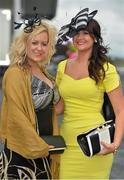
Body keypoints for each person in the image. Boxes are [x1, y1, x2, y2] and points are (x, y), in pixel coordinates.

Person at [55, 8, 124, 179]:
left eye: (85, 33)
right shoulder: (62, 67)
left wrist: (115, 144)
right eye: (77, 33)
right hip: (66, 143)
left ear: (95, 38)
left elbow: (120, 111)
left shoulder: (106, 69)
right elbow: (59, 107)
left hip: (95, 144)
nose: (80, 37)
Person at [0, 17, 61, 179]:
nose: (39, 48)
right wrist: (39, 146)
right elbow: (17, 116)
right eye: (35, 43)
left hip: (46, 147)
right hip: (24, 150)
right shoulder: (15, 73)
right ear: (24, 44)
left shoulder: (44, 72)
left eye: (44, 43)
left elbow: (56, 109)